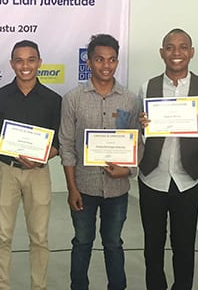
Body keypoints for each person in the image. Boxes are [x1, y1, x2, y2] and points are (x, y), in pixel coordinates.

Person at [59, 34, 140, 290]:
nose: (106, 65)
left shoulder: (130, 99)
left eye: (112, 60)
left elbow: (138, 142)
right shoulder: (73, 98)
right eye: (100, 59)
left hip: (117, 189)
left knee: (113, 243)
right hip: (84, 185)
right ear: (89, 61)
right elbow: (67, 145)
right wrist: (72, 188)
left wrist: (128, 169)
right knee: (82, 242)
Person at [138, 28, 198, 290]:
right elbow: (139, 133)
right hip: (152, 177)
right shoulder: (147, 86)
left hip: (188, 179)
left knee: (184, 246)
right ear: (162, 53)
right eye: (170, 47)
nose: (176, 53)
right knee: (152, 246)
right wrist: (142, 123)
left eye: (183, 47)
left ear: (191, 52)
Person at [0, 40, 61, 290]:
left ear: (39, 62)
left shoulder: (53, 100)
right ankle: (2, 286)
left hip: (38, 173)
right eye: (19, 60)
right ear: (12, 64)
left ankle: (39, 286)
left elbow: (60, 141)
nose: (25, 65)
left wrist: (44, 156)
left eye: (30, 60)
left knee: (39, 237)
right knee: (2, 236)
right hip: (6, 172)